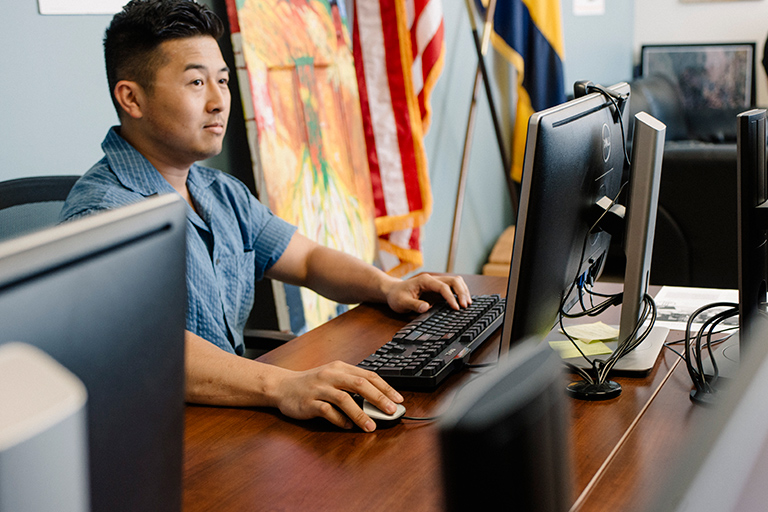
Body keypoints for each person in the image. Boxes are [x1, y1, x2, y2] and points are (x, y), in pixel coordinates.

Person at [60, 0, 471, 433]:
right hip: (153, 434)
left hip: (228, 414)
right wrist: (284, 385)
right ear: (131, 98)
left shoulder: (217, 191)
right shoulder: (102, 216)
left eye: (222, 80)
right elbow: (148, 349)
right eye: (197, 82)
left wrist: (388, 286)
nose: (220, 102)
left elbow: (308, 259)